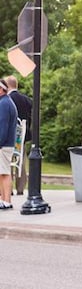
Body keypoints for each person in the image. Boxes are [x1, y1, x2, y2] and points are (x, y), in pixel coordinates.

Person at [5, 75, 32, 195]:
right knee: (21, 161)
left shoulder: (6, 100)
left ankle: (8, 189)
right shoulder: (26, 99)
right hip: (22, 137)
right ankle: (20, 188)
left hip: (8, 136)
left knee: (7, 162)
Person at [0, 78, 18, 210]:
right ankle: (4, 199)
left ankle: (6, 200)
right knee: (2, 172)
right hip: (6, 144)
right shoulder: (7, 102)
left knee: (4, 173)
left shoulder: (4, 104)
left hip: (3, 145)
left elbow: (2, 127)